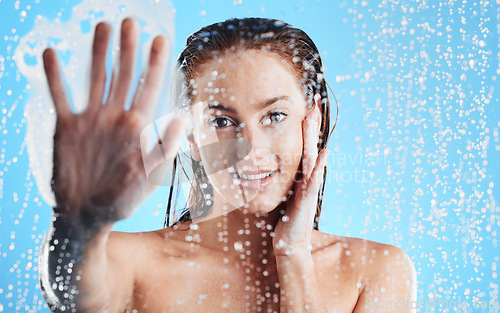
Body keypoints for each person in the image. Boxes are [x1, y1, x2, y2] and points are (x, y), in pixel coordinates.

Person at [39, 17, 417, 313]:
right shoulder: (133, 264)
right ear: (191, 137)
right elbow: (69, 293)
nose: (249, 148)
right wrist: (80, 220)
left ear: (312, 122)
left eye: (274, 116)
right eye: (222, 122)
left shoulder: (376, 272)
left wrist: (294, 253)